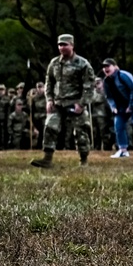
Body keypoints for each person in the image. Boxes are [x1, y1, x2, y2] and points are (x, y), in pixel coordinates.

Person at [31, 34, 95, 168]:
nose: (62, 47)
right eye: (60, 45)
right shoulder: (54, 63)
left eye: (65, 44)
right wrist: (49, 100)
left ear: (72, 45)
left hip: (75, 102)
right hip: (58, 103)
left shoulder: (83, 64)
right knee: (50, 127)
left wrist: (82, 104)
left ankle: (84, 160)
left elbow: (89, 87)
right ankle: (47, 159)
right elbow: (49, 82)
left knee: (81, 131)